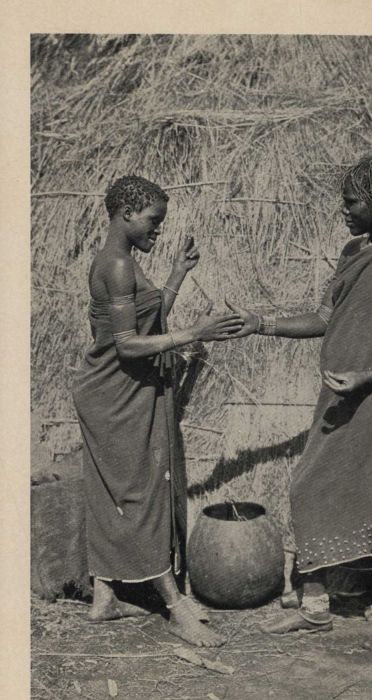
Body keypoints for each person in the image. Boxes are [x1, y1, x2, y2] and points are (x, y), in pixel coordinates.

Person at [227, 157, 372, 652]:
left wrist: (369, 374)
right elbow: (325, 317)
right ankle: (316, 610)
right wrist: (262, 323)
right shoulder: (353, 252)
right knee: (311, 484)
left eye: (351, 201)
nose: (343, 210)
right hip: (344, 395)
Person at [72, 175, 244, 646]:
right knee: (138, 494)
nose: (159, 230)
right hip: (114, 394)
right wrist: (196, 333)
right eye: (154, 221)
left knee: (118, 492)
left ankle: (105, 599)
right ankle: (173, 605)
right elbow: (128, 346)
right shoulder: (117, 265)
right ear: (126, 213)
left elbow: (144, 317)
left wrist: (176, 275)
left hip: (122, 391)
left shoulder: (123, 262)